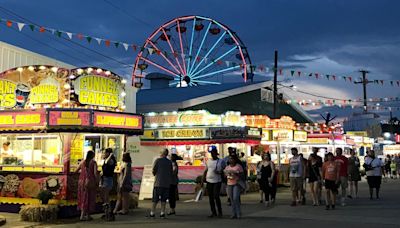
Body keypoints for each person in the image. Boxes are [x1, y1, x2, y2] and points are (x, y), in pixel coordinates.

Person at [149, 148, 173, 218]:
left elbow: (154, 170)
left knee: (155, 199)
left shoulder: (158, 160)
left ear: (162, 153)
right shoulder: (169, 162)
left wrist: (155, 174)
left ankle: (152, 212)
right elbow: (171, 172)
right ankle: (162, 212)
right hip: (166, 183)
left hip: (158, 183)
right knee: (164, 199)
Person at [76, 150, 98, 221]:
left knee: (83, 197)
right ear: (93, 156)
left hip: (81, 181)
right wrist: (97, 180)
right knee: (89, 197)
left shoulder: (82, 162)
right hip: (90, 182)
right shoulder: (94, 163)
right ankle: (86, 215)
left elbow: (76, 170)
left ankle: (83, 215)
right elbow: (95, 173)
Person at [203, 146, 223, 218]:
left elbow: (224, 171)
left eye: (213, 153)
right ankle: (213, 212)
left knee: (216, 196)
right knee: (211, 197)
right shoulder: (208, 161)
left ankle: (220, 212)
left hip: (217, 180)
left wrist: (219, 172)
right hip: (209, 180)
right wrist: (203, 178)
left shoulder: (220, 161)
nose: (212, 155)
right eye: (211, 153)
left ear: (216, 153)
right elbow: (206, 170)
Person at [99, 148, 116, 220]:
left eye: (104, 153)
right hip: (104, 179)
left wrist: (111, 155)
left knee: (106, 197)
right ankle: (106, 213)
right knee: (103, 196)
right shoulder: (106, 160)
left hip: (108, 180)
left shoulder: (111, 160)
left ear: (108, 153)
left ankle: (109, 213)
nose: (103, 154)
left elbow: (107, 162)